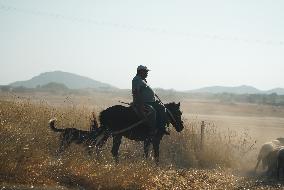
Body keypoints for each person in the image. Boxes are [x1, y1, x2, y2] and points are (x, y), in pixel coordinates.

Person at [132, 65, 169, 135]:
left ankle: (160, 127)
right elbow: (136, 92)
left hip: (150, 102)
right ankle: (153, 130)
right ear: (141, 72)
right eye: (145, 72)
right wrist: (140, 104)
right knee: (157, 110)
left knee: (161, 107)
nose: (147, 73)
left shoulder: (142, 80)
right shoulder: (137, 79)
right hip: (145, 103)